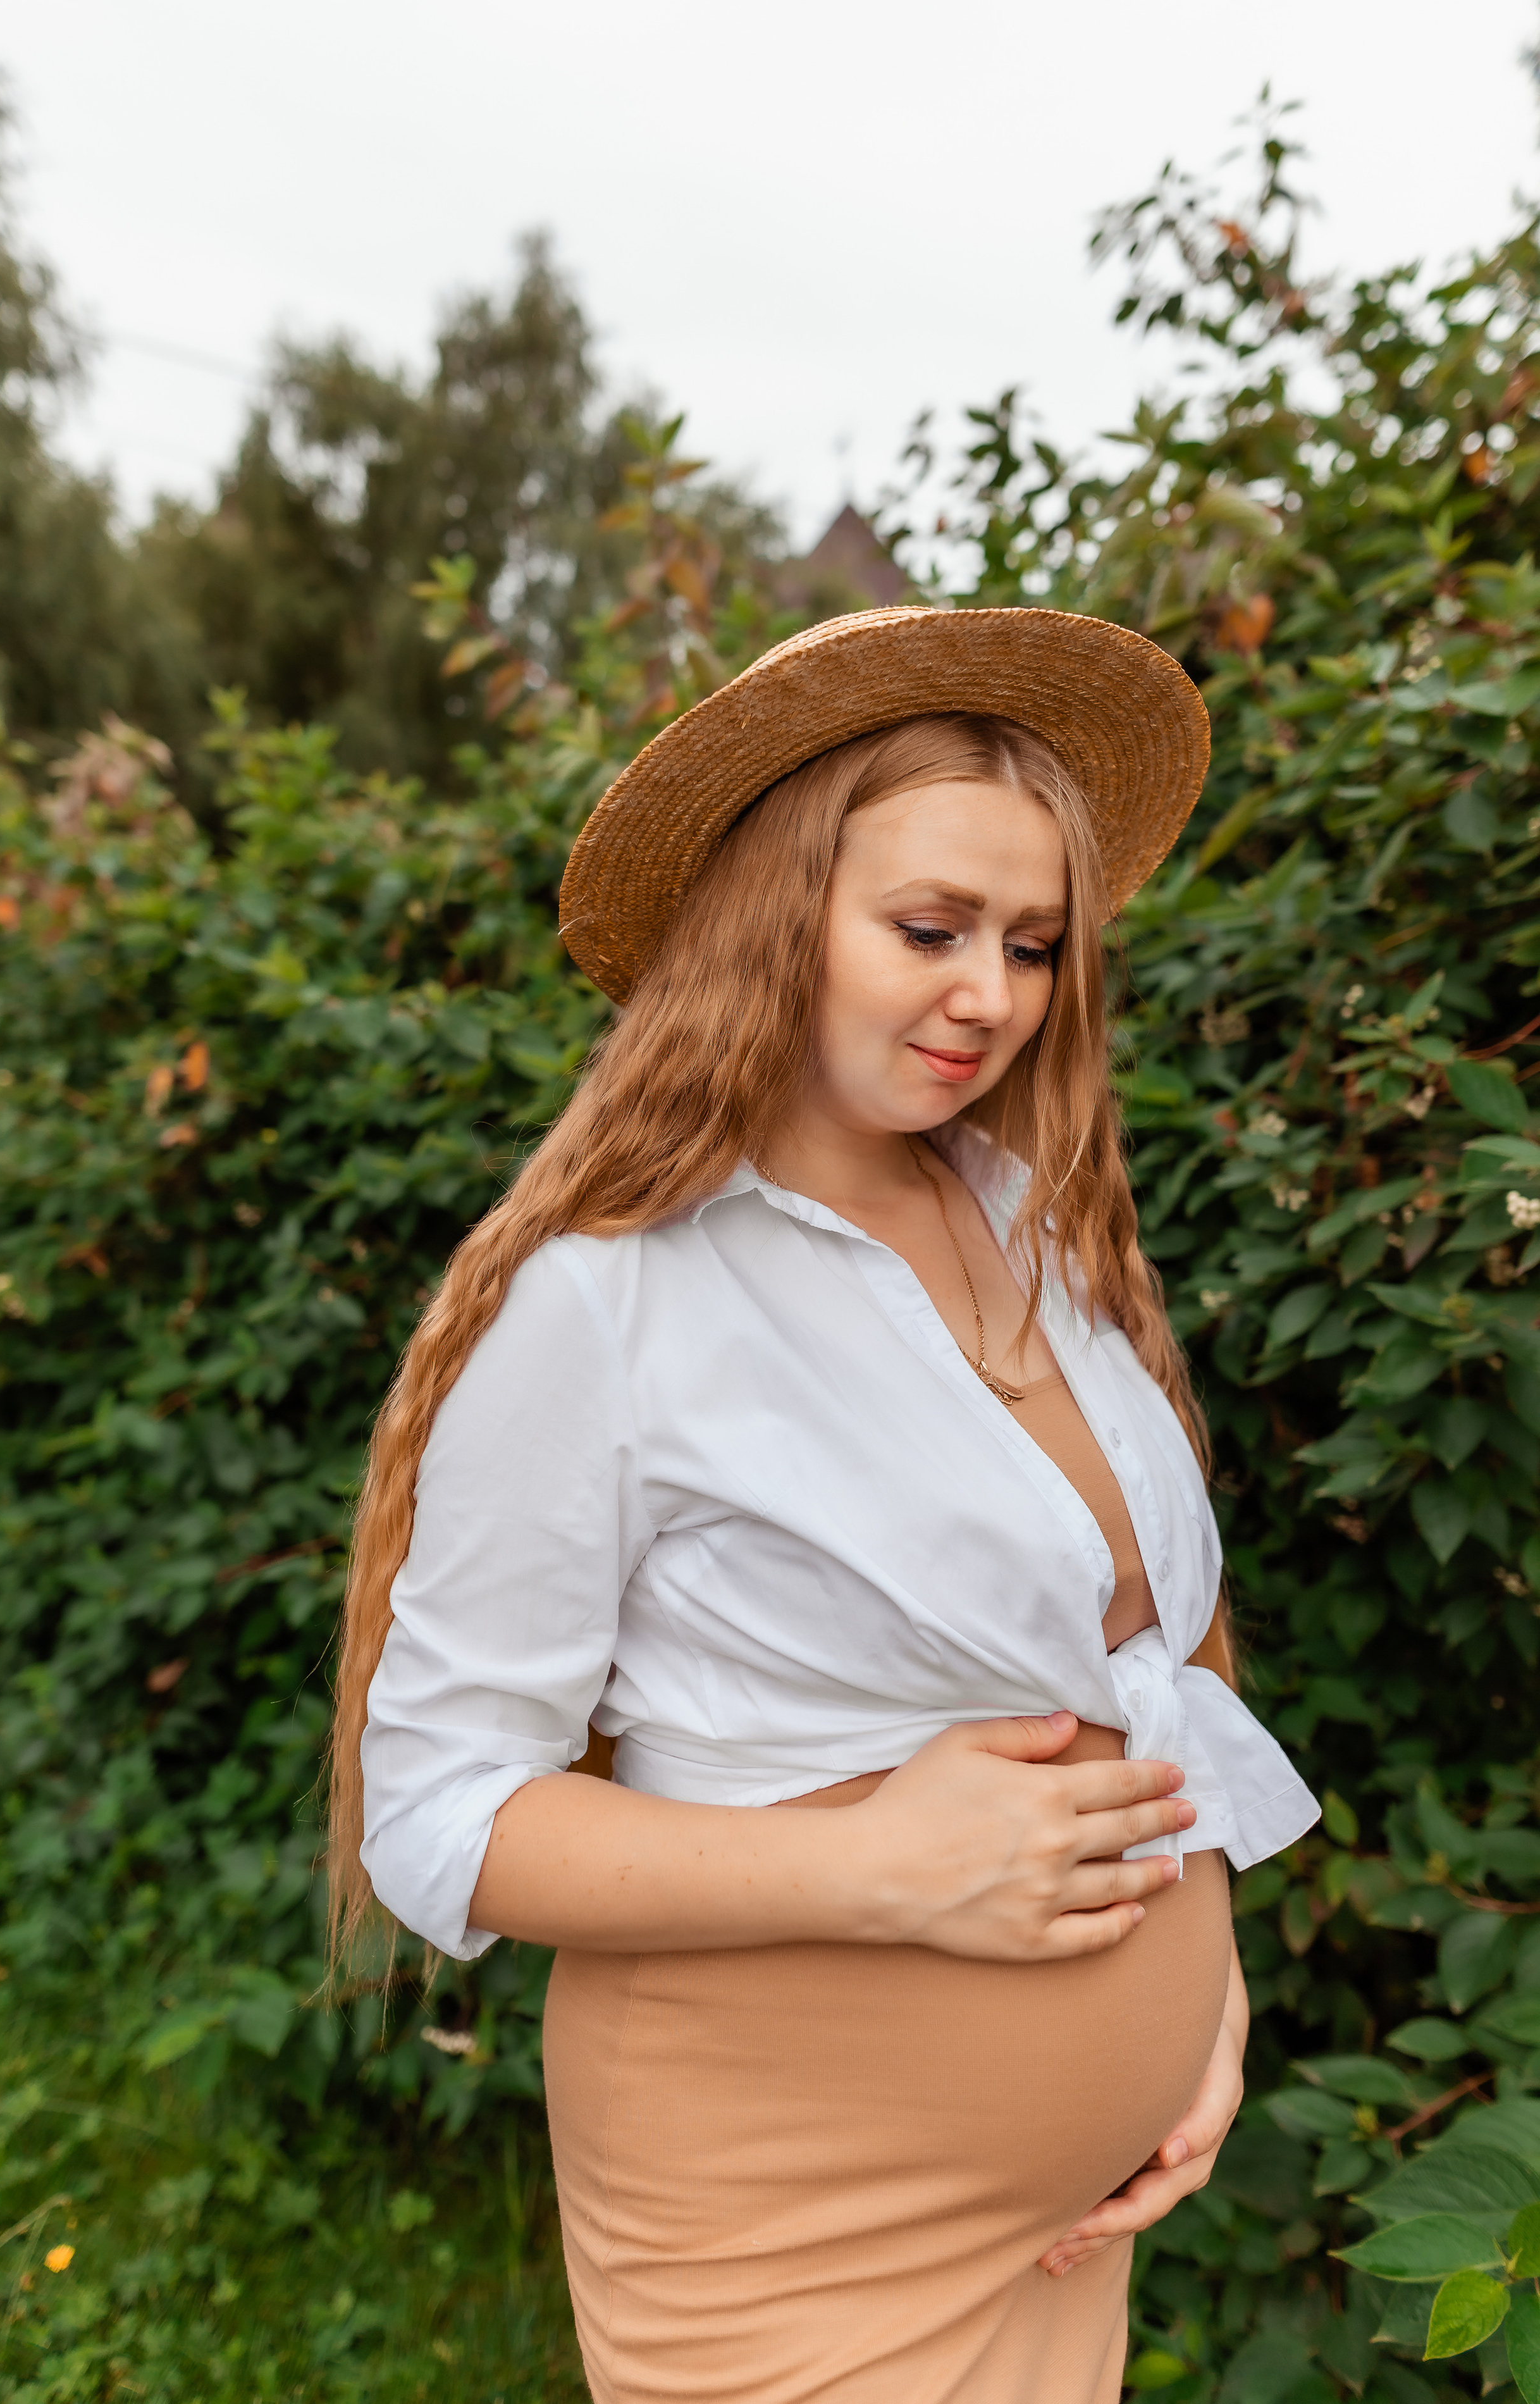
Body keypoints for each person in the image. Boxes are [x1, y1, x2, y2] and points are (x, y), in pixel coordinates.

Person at [330, 605, 1319, 2403]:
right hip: (787, 2224)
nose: (990, 996)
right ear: (776, 918)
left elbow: (1145, 1664)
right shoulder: (607, 1302)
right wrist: (867, 1864)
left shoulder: (1036, 1227)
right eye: (929, 929)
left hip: (1064, 2229)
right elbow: (440, 1818)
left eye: (1031, 944)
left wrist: (1205, 2003)